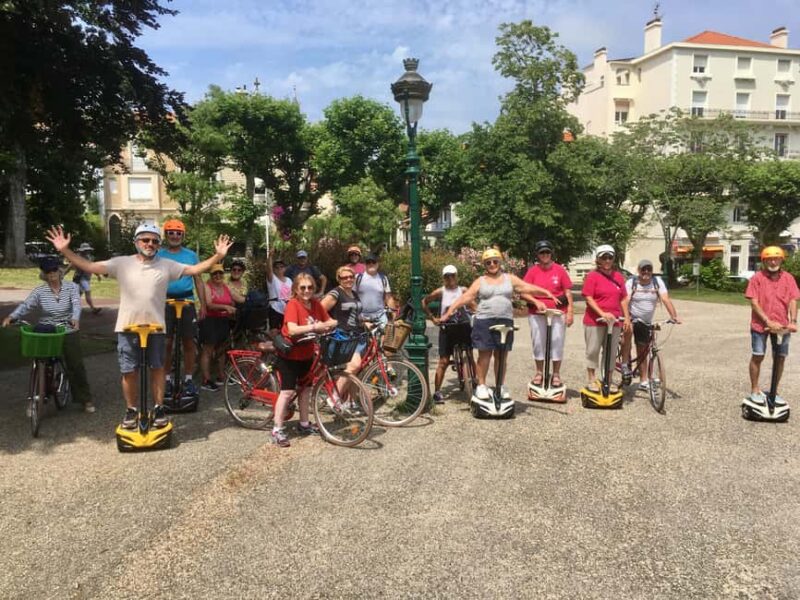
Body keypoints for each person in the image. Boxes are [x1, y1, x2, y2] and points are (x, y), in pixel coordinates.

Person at [44, 224, 232, 430]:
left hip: (156, 328)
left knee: (158, 368)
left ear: (159, 244)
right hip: (128, 326)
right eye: (145, 240)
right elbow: (90, 267)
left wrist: (217, 256)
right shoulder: (122, 263)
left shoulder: (166, 265)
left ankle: (159, 408)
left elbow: (195, 269)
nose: (150, 244)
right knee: (129, 371)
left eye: (154, 241)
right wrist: (64, 250)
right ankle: (131, 410)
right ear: (136, 242)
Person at [441, 248, 557, 401]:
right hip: (484, 320)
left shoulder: (509, 278)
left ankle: (500, 386)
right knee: (485, 354)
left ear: (500, 262)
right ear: (485, 265)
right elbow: (467, 297)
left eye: (495, 261)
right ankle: (481, 385)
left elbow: (525, 287)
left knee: (501, 355)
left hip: (505, 320)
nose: (492, 264)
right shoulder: (480, 281)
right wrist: (449, 312)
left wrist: (545, 293)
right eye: (488, 262)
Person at [2, 257, 94, 413]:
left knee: (75, 364)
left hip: (67, 327)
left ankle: (85, 399)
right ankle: (38, 395)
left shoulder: (71, 287)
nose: (52, 274)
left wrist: (75, 318)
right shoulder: (40, 291)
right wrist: (12, 316)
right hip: (48, 329)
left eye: (54, 270)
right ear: (44, 275)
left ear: (59, 271)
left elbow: (76, 305)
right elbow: (26, 305)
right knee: (41, 362)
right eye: (48, 272)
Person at [271, 273, 337, 448]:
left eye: (310, 287)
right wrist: (316, 326)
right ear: (296, 290)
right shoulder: (293, 304)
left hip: (307, 353)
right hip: (290, 354)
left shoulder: (315, 304)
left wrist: (333, 323)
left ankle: (304, 423)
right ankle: (277, 429)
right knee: (287, 392)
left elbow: (328, 320)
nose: (307, 291)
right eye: (302, 288)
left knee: (306, 388)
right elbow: (292, 329)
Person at [157, 219, 207, 398]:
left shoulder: (191, 255)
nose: (175, 236)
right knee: (166, 342)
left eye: (178, 233)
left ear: (183, 235)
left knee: (188, 342)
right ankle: (168, 380)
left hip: (187, 302)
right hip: (165, 303)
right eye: (171, 232)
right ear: (166, 234)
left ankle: (187, 379)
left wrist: (203, 304)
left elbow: (198, 281)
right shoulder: (159, 255)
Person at [744, 246, 799, 405]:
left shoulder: (788, 278)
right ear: (764, 261)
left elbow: (793, 300)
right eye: (769, 259)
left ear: (782, 260)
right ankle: (755, 389)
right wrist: (768, 321)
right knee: (758, 355)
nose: (773, 261)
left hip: (782, 326)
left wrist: (793, 322)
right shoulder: (757, 278)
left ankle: (774, 391)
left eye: (776, 258)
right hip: (760, 325)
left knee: (780, 358)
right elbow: (754, 303)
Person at [620, 259, 681, 390]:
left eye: (649, 269)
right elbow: (626, 300)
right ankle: (625, 364)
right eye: (643, 269)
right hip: (631, 316)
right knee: (627, 337)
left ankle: (643, 380)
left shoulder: (657, 282)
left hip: (646, 321)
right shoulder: (632, 282)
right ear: (639, 271)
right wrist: (626, 319)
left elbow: (665, 299)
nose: (646, 272)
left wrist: (674, 316)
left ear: (652, 271)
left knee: (642, 350)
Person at [522, 240, 574, 389]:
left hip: (558, 312)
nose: (545, 255)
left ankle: (556, 374)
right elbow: (524, 292)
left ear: (551, 254)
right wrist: (536, 301)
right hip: (537, 312)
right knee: (538, 342)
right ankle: (539, 372)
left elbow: (568, 292)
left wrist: (570, 312)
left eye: (547, 252)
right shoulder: (533, 271)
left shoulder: (560, 270)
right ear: (537, 255)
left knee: (557, 342)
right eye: (542, 253)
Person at [422, 264, 476, 404]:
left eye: (452, 275)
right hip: (447, 328)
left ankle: (476, 383)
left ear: (456, 276)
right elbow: (424, 302)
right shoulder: (440, 291)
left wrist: (478, 313)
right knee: (443, 361)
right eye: (447, 276)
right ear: (443, 278)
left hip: (463, 326)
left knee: (470, 355)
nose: (450, 278)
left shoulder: (463, 290)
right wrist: (432, 318)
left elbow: (472, 305)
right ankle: (437, 391)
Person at [581, 244, 631, 391]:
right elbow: (589, 298)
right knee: (593, 350)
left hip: (614, 321)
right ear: (598, 259)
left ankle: (608, 379)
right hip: (594, 321)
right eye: (604, 257)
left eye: (610, 257)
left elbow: (623, 299)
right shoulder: (592, 276)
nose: (607, 260)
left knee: (610, 351)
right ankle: (591, 379)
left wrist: (626, 318)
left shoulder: (618, 277)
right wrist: (602, 313)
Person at [200, 264, 244, 391]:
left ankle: (221, 376)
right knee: (208, 349)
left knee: (222, 349)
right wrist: (225, 307)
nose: (218, 276)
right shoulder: (207, 286)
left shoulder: (225, 287)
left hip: (223, 320)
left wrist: (253, 300)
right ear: (210, 275)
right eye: (215, 274)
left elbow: (239, 299)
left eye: (220, 273)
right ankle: (206, 379)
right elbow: (209, 304)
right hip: (209, 319)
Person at [321, 265, 365, 381]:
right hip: (343, 336)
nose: (348, 279)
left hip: (356, 336)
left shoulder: (354, 294)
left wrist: (365, 321)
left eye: (351, 277)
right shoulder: (336, 293)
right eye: (344, 278)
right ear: (339, 279)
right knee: (354, 366)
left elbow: (355, 313)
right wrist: (329, 321)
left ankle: (350, 399)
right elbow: (320, 310)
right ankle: (335, 397)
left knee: (358, 371)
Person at [354, 253, 396, 328]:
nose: (371, 264)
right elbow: (351, 296)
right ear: (365, 264)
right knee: (365, 339)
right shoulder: (357, 278)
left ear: (377, 264)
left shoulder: (383, 278)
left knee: (385, 339)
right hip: (362, 317)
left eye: (373, 262)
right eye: (368, 262)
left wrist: (394, 314)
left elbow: (388, 298)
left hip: (380, 317)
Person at [65, 242, 102, 314]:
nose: (87, 252)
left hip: (87, 279)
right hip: (80, 279)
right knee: (87, 291)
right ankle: (93, 308)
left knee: (77, 294)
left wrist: (97, 275)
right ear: (82, 251)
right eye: (85, 250)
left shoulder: (89, 258)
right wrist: (63, 274)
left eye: (87, 250)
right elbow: (69, 267)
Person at [265, 252, 293, 334]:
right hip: (275, 309)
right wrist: (270, 256)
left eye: (281, 267)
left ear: (285, 268)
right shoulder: (272, 279)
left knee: (286, 331)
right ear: (274, 269)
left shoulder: (289, 280)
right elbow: (268, 269)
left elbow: (292, 294)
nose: (279, 268)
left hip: (287, 309)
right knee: (274, 332)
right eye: (276, 267)